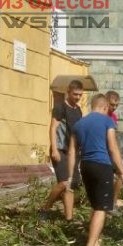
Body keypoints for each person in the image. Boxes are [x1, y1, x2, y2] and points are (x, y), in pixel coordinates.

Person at [67, 94, 123, 246]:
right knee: (102, 209)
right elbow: (113, 148)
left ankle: (95, 243)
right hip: (102, 166)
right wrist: (122, 171)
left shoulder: (78, 124)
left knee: (95, 205)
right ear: (103, 107)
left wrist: (70, 175)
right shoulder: (107, 121)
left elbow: (72, 151)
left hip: (86, 166)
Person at [40, 80, 83, 221]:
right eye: (75, 94)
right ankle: (45, 208)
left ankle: (68, 218)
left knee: (70, 184)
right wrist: (54, 150)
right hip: (60, 149)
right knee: (64, 182)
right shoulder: (60, 108)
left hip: (72, 152)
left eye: (80, 95)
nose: (77, 97)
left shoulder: (78, 110)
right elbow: (53, 128)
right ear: (69, 92)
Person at [105, 90, 123, 209]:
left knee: (122, 174)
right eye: (112, 104)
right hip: (103, 152)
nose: (115, 107)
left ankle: (113, 202)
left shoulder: (114, 117)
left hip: (112, 152)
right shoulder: (101, 115)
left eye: (117, 105)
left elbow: (114, 136)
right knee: (107, 179)